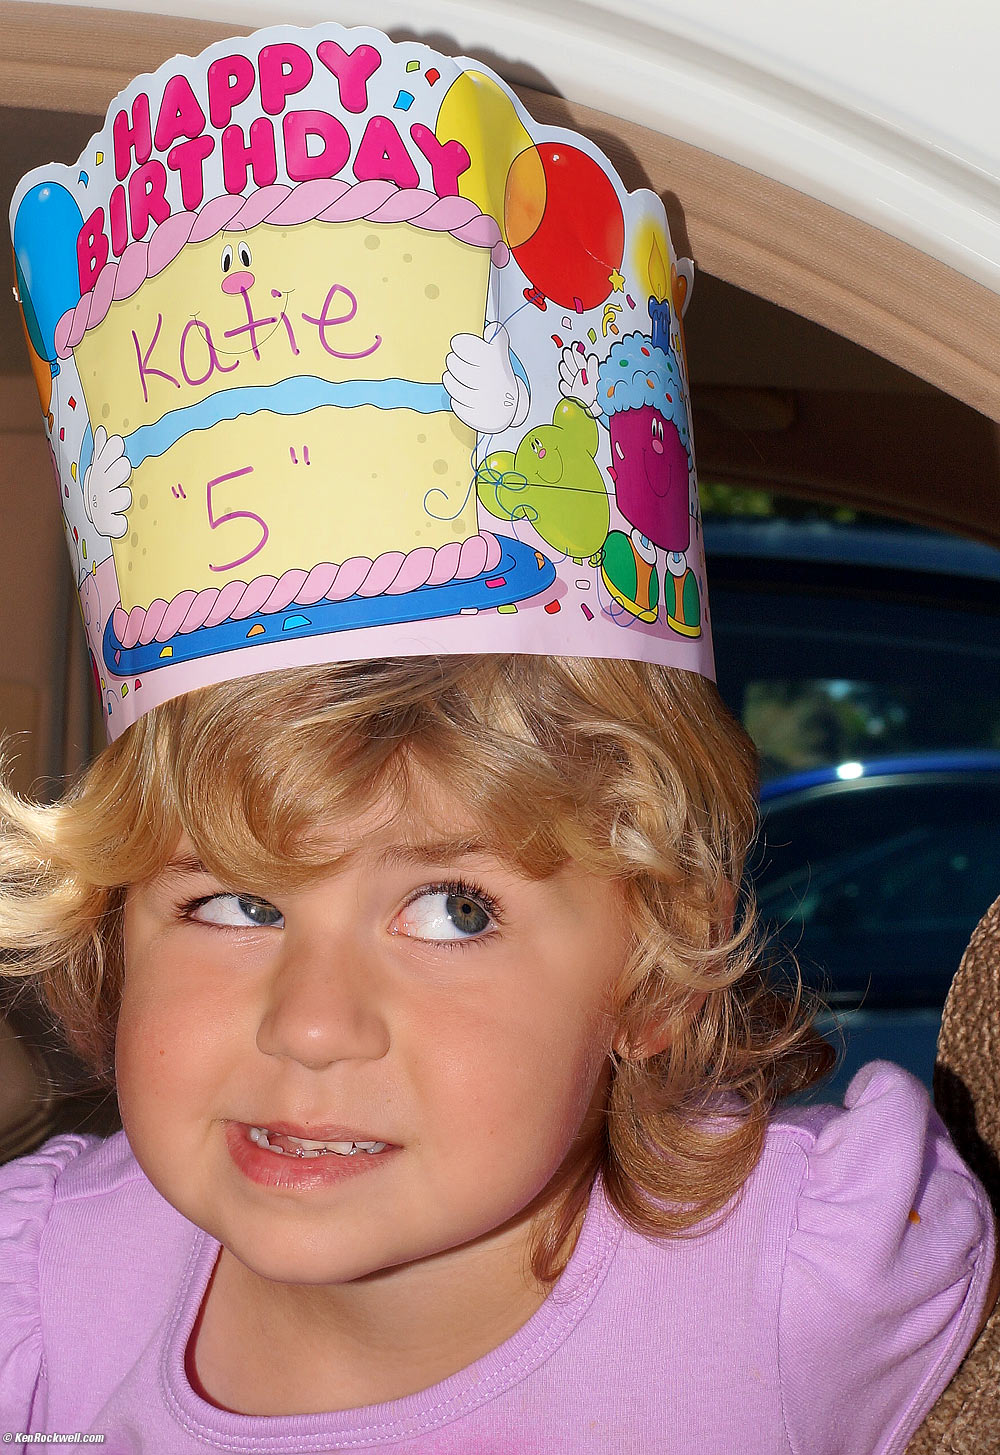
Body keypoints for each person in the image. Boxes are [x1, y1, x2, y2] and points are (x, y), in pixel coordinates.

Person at [2, 22, 996, 1453]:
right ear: (110, 935)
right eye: (231, 902)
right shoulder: (44, 1294)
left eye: (455, 908)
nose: (311, 1024)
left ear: (656, 972)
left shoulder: (807, 1274)